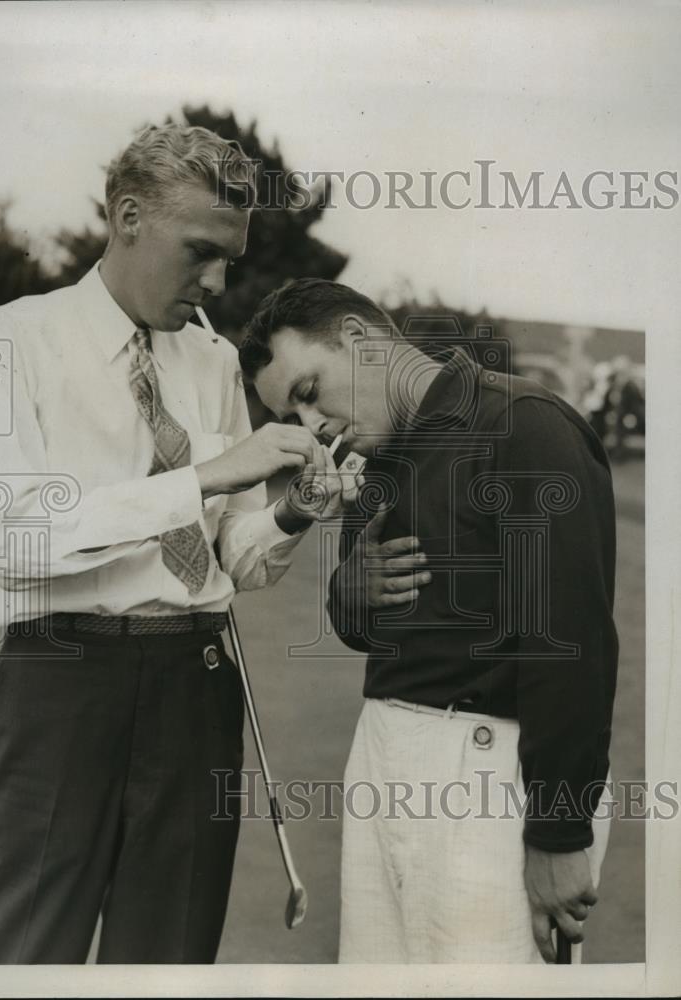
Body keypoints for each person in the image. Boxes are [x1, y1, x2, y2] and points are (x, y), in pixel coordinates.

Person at [0, 125, 344, 964]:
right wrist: (205, 477)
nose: (216, 280)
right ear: (128, 217)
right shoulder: (9, 339)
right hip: (58, 685)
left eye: (230, 257)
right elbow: (18, 539)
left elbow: (226, 556)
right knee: (10, 956)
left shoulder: (209, 360)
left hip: (195, 689)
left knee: (165, 967)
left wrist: (291, 512)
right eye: (201, 250)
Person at [239, 278, 619, 964]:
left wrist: (560, 831)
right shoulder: (374, 454)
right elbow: (374, 625)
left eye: (307, 392)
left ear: (360, 339)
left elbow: (571, 645)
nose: (311, 427)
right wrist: (346, 596)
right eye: (292, 417)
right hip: (384, 755)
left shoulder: (524, 422)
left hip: (487, 770)